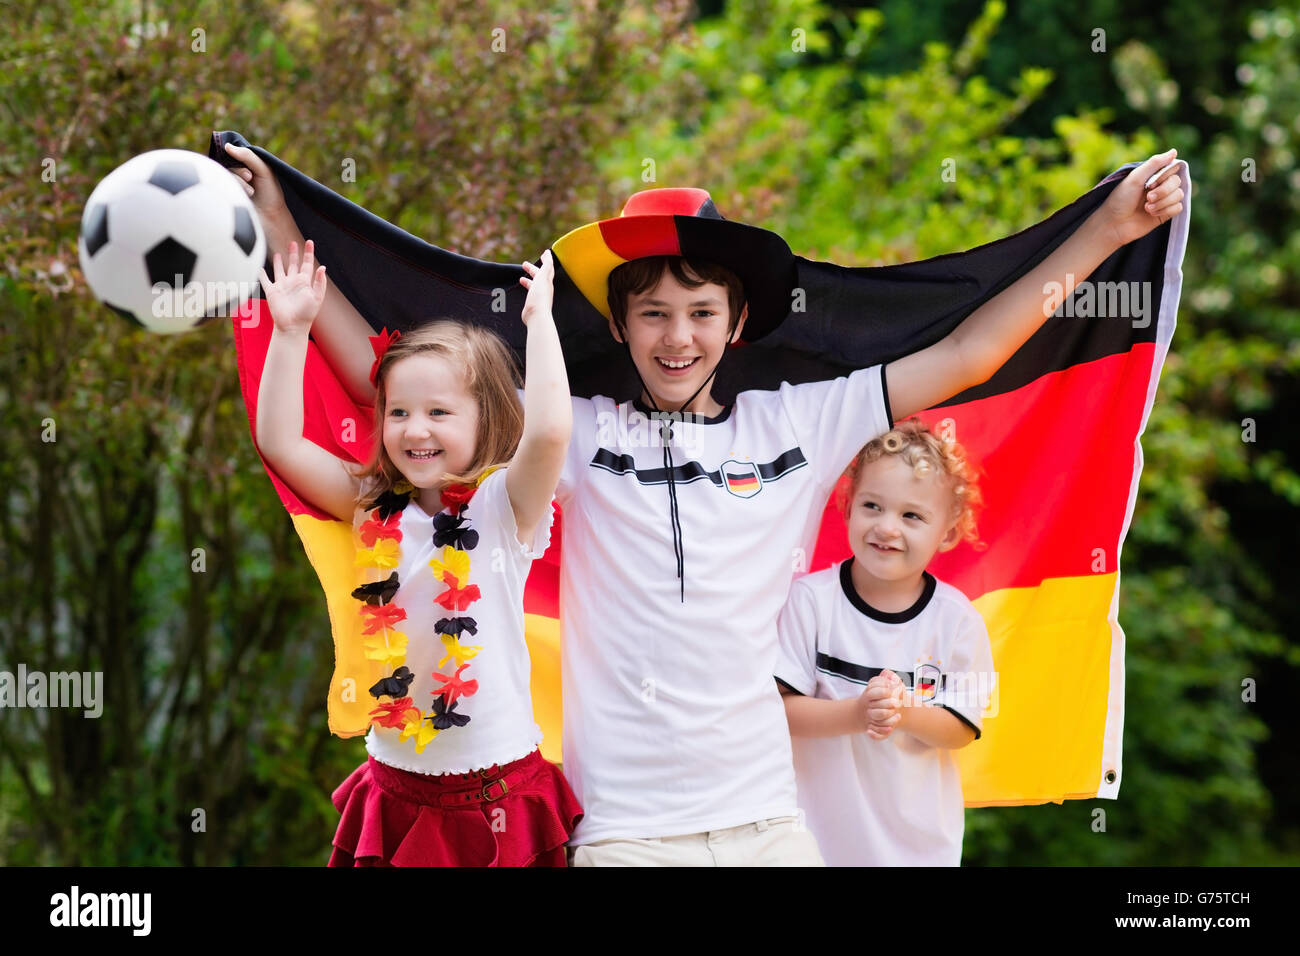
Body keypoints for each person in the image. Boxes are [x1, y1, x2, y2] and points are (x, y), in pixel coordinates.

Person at [226, 141, 1183, 866]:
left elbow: (971, 356)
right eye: (652, 313)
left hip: (769, 819)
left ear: (737, 324)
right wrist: (279, 226)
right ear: (617, 323)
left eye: (701, 313)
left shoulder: (804, 422)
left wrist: (1108, 231)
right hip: (620, 829)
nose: (677, 336)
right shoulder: (573, 431)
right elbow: (391, 383)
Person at [253, 235, 582, 866]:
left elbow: (548, 432)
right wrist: (291, 332)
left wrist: (541, 324)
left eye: (439, 411)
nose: (415, 428)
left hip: (497, 793)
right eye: (398, 411)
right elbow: (281, 443)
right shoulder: (373, 505)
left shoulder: (501, 511)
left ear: (486, 420)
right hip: (396, 786)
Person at [775, 418, 994, 866]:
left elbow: (961, 728)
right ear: (848, 505)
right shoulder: (810, 601)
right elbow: (781, 711)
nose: (887, 527)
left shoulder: (958, 622)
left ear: (948, 532)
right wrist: (858, 712)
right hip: (810, 845)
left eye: (912, 515)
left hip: (917, 850)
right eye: (873, 506)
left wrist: (900, 710)